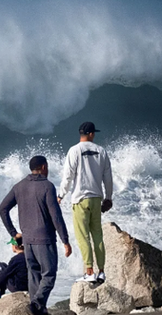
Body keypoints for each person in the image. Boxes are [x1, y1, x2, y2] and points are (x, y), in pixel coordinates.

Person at [0, 156, 72, 315]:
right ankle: (37, 304)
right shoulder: (47, 186)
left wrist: (14, 234)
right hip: (44, 240)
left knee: (34, 276)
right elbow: (56, 216)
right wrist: (65, 240)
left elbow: (2, 209)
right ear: (44, 167)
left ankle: (38, 310)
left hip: (28, 241)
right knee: (49, 275)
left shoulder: (19, 186)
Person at [58, 121, 113, 284]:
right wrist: (108, 198)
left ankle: (89, 271)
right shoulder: (101, 151)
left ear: (81, 133)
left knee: (83, 236)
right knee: (97, 235)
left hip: (80, 199)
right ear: (91, 134)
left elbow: (68, 176)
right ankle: (101, 272)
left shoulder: (74, 150)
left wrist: (60, 195)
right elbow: (108, 178)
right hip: (96, 199)